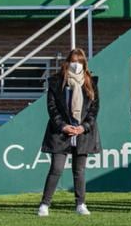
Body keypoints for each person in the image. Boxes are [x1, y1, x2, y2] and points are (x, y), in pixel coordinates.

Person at [38, 48, 100, 217]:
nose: (76, 65)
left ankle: (80, 203)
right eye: (73, 61)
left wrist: (84, 127)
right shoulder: (56, 83)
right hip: (61, 133)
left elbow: (94, 110)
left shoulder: (91, 83)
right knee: (56, 168)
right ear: (67, 62)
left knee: (79, 171)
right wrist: (63, 126)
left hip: (82, 133)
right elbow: (52, 109)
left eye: (79, 62)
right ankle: (44, 204)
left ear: (84, 64)